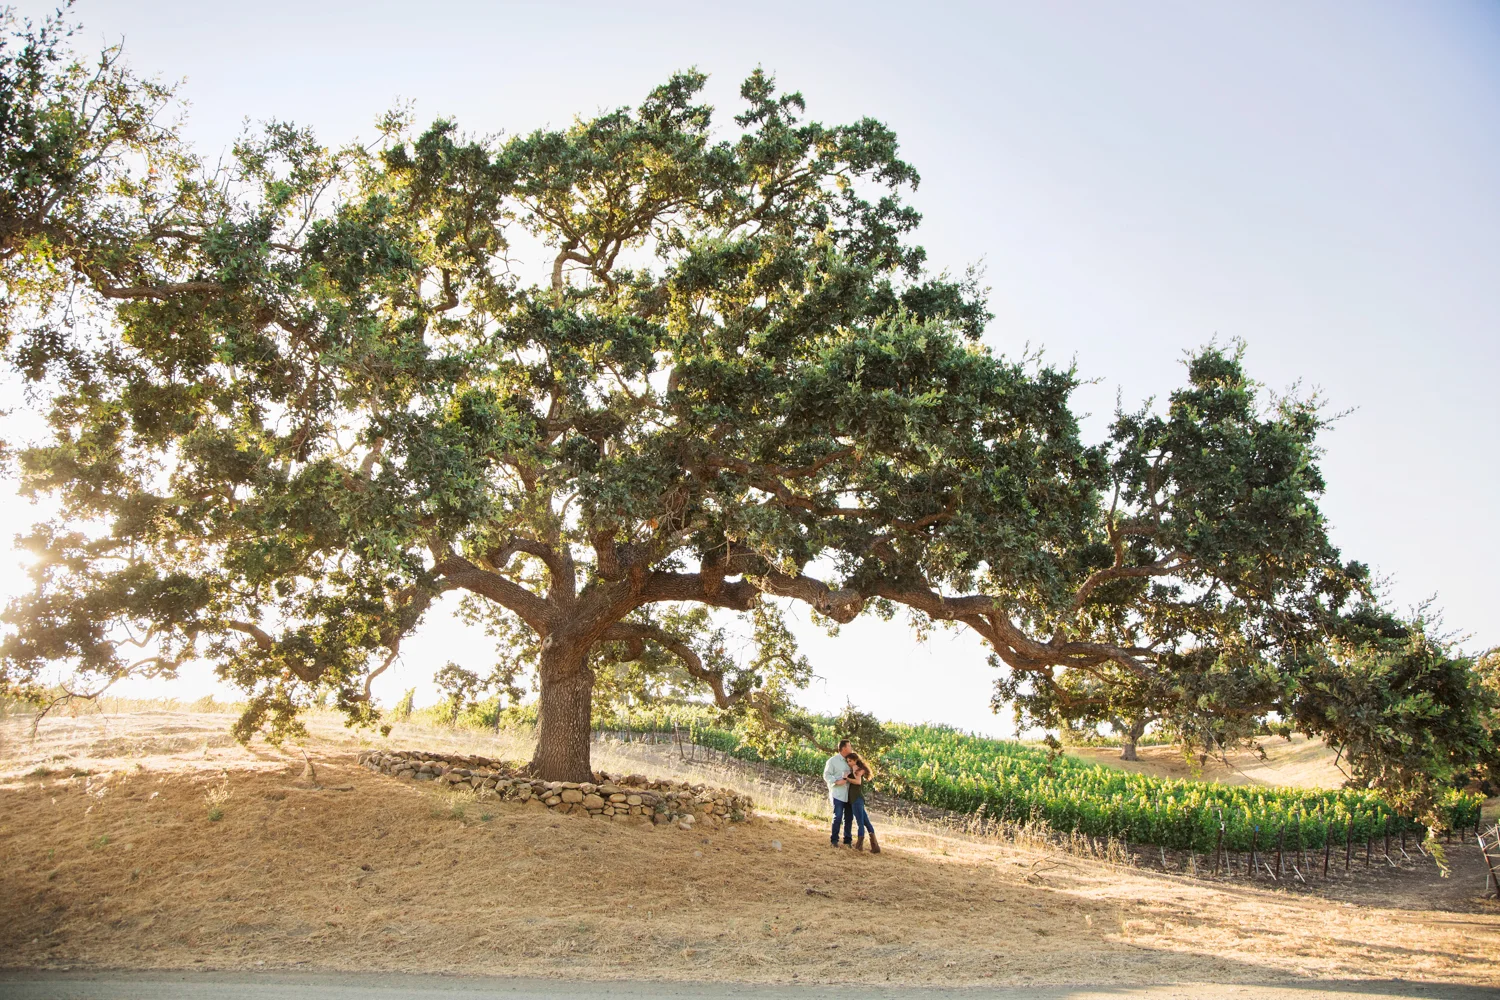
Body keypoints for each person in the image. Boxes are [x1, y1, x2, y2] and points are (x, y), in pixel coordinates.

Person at [846, 752, 881, 854]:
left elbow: (858, 782)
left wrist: (847, 778)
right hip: (858, 798)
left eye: (850, 761)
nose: (849, 763)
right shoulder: (858, 768)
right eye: (848, 761)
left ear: (855, 760)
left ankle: (859, 845)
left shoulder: (856, 768)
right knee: (866, 822)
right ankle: (875, 846)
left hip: (856, 798)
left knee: (859, 822)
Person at [823, 738, 853, 847]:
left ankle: (848, 841)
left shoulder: (852, 760)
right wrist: (836, 781)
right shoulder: (832, 761)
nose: (851, 748)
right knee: (838, 816)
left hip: (849, 794)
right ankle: (834, 840)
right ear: (844, 748)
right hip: (838, 793)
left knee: (849, 818)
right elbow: (826, 775)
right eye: (849, 746)